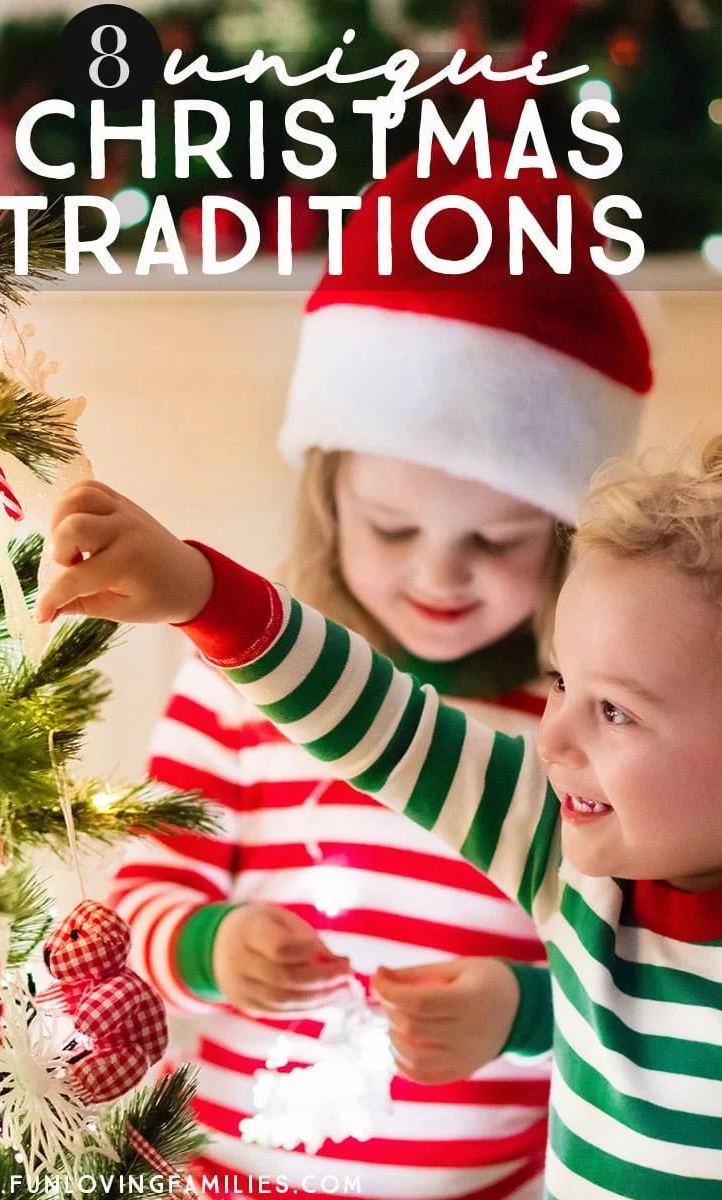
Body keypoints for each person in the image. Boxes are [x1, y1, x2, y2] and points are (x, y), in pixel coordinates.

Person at [108, 145, 649, 1200]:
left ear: (569, 538)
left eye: (497, 541)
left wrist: (513, 1009)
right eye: (392, 526)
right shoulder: (235, 685)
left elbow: (636, 972)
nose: (437, 575)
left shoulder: (577, 725)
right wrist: (214, 945)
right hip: (230, 1177)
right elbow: (145, 894)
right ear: (330, 500)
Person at [39, 430, 722, 1200]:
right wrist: (205, 595)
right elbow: (385, 723)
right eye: (561, 682)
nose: (553, 739)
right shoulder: (557, 846)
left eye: (617, 712)